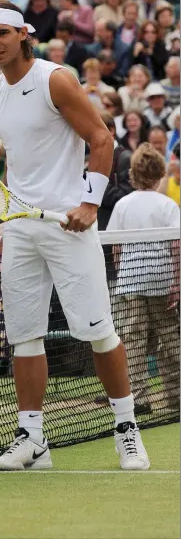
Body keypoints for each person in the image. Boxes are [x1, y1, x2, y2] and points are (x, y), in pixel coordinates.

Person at [0, 1, 150, 471]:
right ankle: (32, 440)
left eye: (2, 34)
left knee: (99, 331)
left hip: (68, 225)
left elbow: (101, 138)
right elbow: (18, 161)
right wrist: (1, 213)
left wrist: (90, 203)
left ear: (23, 35)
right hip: (20, 228)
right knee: (25, 336)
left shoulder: (55, 78)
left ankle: (126, 429)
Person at [107, 144, 180, 413]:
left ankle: (139, 399)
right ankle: (176, 397)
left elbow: (116, 247)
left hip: (132, 283)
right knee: (169, 338)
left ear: (133, 174)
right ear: (160, 173)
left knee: (134, 340)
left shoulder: (123, 205)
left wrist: (123, 272)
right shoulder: (168, 205)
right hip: (162, 280)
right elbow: (176, 247)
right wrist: (177, 283)